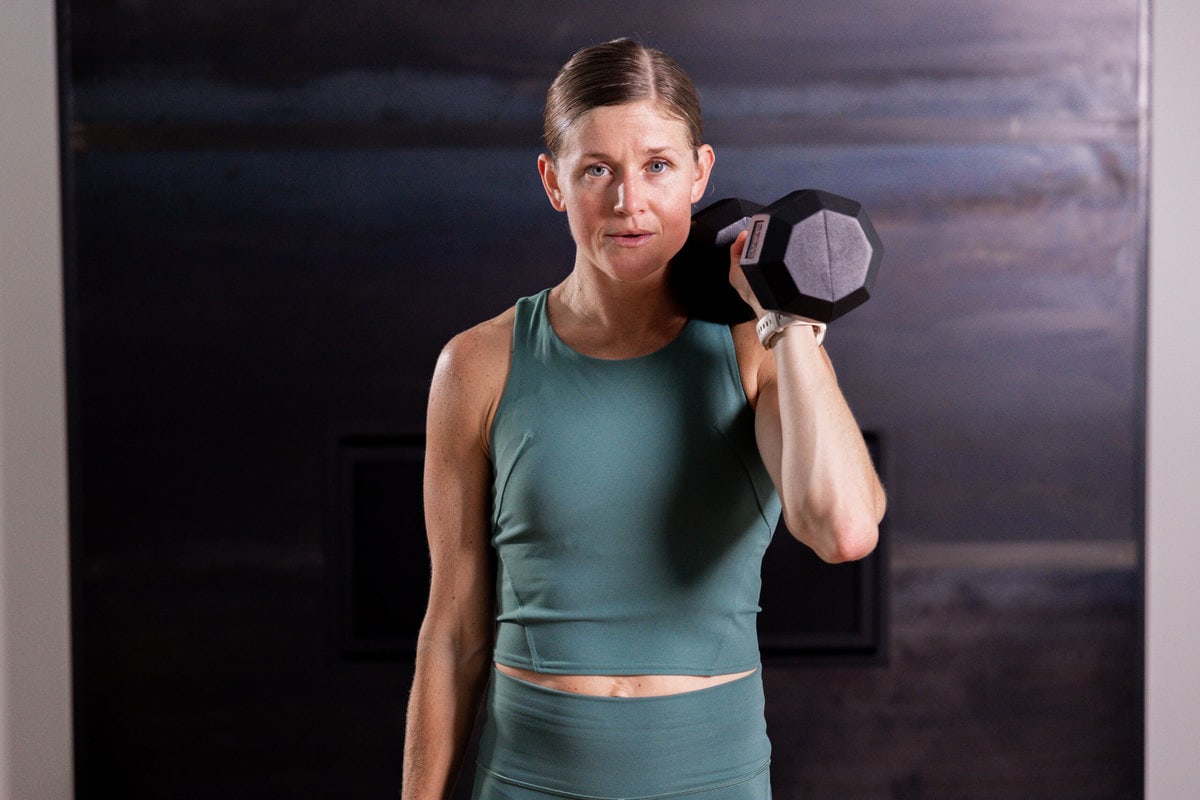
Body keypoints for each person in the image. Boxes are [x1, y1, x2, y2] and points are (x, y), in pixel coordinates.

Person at [401, 37, 886, 800]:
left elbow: (844, 529)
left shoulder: (756, 351)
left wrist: (787, 319)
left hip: (712, 778)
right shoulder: (478, 364)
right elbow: (452, 630)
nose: (629, 202)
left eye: (657, 165)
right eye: (597, 169)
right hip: (529, 778)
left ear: (700, 172)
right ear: (552, 182)